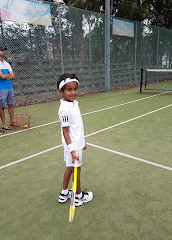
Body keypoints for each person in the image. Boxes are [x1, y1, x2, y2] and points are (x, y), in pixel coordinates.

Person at [57, 73, 93, 206]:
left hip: (75, 143)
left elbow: (76, 126)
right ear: (61, 91)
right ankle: (78, 196)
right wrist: (73, 150)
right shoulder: (64, 109)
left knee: (69, 167)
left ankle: (64, 192)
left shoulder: (72, 104)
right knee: (77, 170)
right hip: (72, 146)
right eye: (69, 89)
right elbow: (65, 131)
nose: (73, 92)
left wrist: (82, 141)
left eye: (75, 89)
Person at [0, 45, 15, 130]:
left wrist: (6, 76)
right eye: (2, 50)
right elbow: (2, 77)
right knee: (1, 106)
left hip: (9, 87)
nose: (3, 51)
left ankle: (12, 122)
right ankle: (4, 124)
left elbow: (13, 76)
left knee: (10, 105)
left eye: (4, 50)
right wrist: (8, 75)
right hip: (1, 88)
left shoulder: (6, 63)